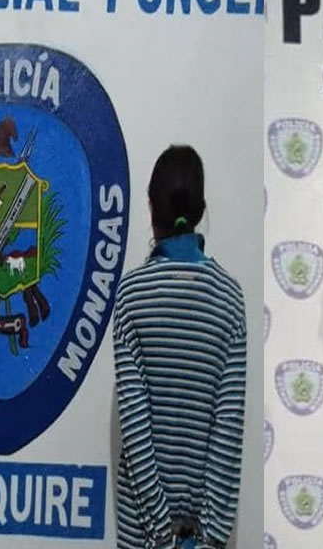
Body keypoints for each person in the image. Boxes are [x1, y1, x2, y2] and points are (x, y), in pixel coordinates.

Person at [113, 145, 247, 549]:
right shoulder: (230, 299)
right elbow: (228, 430)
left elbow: (135, 428)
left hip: (143, 531)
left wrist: (161, 535)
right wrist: (207, 539)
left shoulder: (132, 296)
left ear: (150, 207)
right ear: (201, 210)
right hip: (204, 535)